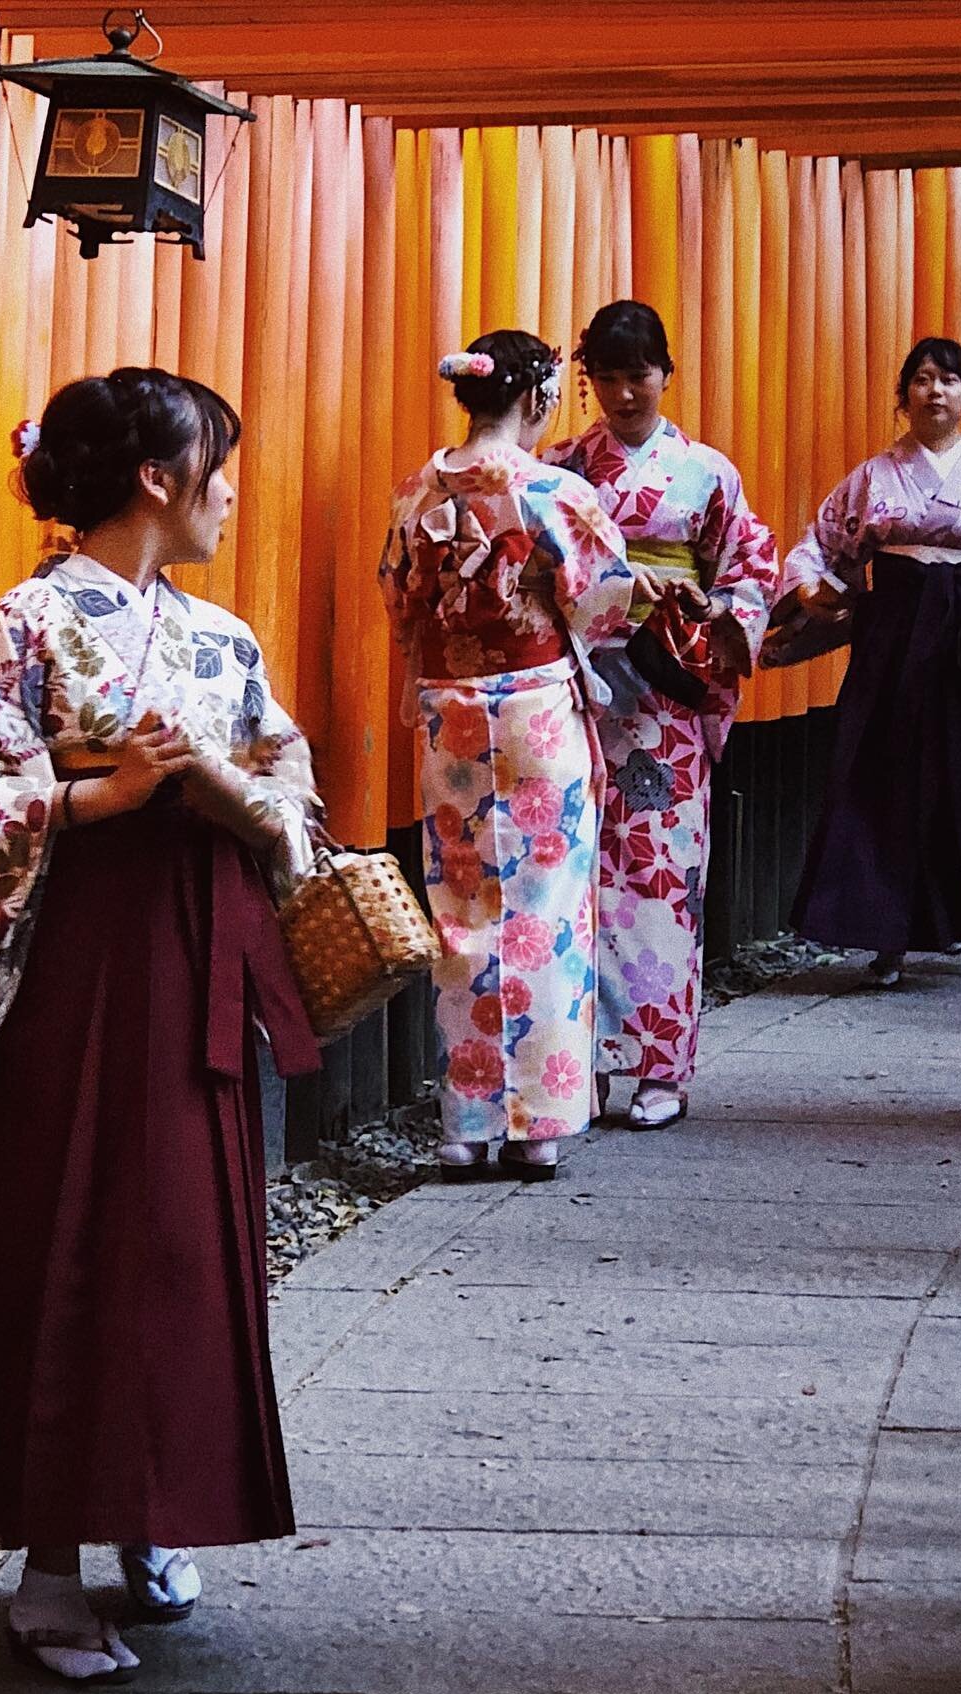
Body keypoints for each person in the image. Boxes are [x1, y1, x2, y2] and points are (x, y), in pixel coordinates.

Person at [0, 368, 323, 1684]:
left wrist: (248, 795)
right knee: (74, 1241)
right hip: (77, 963)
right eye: (219, 463)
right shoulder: (24, 625)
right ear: (158, 478)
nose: (230, 490)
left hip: (196, 952)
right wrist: (106, 797)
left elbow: (288, 774)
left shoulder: (221, 637)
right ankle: (47, 1568)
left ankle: (155, 1515)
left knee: (184, 1248)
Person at [379, 330, 641, 1180]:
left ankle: (465, 1121)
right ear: (536, 400)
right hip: (534, 709)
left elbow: (399, 601)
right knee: (549, 908)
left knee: (460, 908)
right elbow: (606, 599)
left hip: (449, 708)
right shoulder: (552, 491)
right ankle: (540, 1123)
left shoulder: (419, 489)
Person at [546, 302, 777, 1127]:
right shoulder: (564, 467)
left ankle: (661, 1069)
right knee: (575, 877)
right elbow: (541, 572)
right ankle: (584, 1062)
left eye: (638, 374)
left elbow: (751, 571)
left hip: (667, 693)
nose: (623, 392)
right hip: (580, 692)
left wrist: (710, 609)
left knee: (659, 875)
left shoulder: (706, 473)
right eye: (605, 377)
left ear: (666, 373)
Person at [778, 336, 961, 986]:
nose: (935, 391)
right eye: (923, 379)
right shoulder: (875, 477)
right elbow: (818, 545)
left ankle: (948, 911)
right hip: (895, 636)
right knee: (881, 780)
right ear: (903, 396)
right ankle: (886, 938)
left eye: (950, 380)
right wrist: (809, 588)